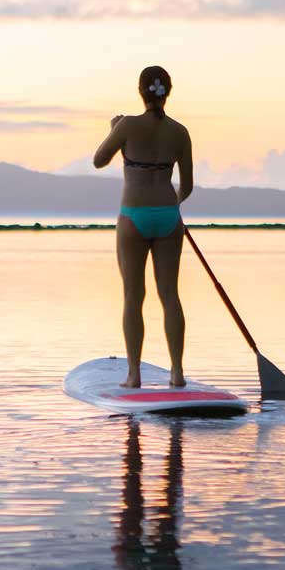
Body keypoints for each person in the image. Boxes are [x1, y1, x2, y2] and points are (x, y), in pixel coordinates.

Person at [93, 66, 193, 389]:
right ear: (168, 91)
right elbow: (187, 186)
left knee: (133, 296)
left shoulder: (127, 125)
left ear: (141, 92)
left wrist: (114, 132)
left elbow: (99, 159)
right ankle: (176, 373)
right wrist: (172, 204)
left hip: (133, 216)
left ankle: (134, 375)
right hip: (167, 216)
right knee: (170, 296)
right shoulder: (180, 132)